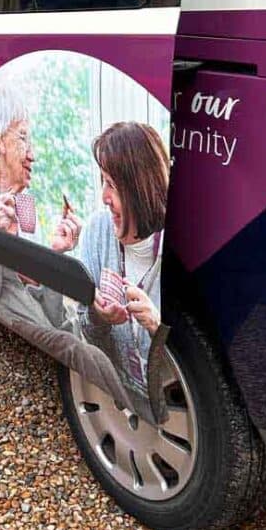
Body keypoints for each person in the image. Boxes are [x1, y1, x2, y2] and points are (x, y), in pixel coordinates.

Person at [0, 81, 132, 406]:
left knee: (85, 339)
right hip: (13, 311)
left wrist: (55, 251)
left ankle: (119, 397)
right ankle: (130, 411)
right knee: (74, 348)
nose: (33, 154)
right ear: (0, 140)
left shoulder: (25, 201)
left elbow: (45, 297)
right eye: (23, 137)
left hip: (45, 314)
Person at [77, 121, 168, 410]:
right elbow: (86, 335)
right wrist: (97, 316)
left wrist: (157, 328)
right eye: (102, 181)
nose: (103, 197)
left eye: (112, 185)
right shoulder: (95, 232)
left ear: (139, 189)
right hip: (114, 403)